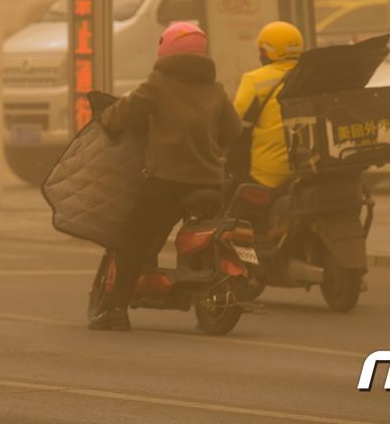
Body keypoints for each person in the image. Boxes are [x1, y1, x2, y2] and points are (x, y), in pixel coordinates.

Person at [88, 22, 241, 332]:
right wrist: (214, 151)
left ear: (165, 49)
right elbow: (234, 130)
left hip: (168, 183)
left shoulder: (159, 83)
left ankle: (115, 310)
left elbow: (125, 113)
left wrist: (105, 117)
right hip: (211, 182)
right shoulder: (216, 89)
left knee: (132, 239)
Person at [231, 21, 304, 190]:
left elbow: (235, 121)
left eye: (261, 50)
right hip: (306, 168)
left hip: (269, 174)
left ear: (267, 51)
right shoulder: (308, 74)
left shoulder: (254, 79)